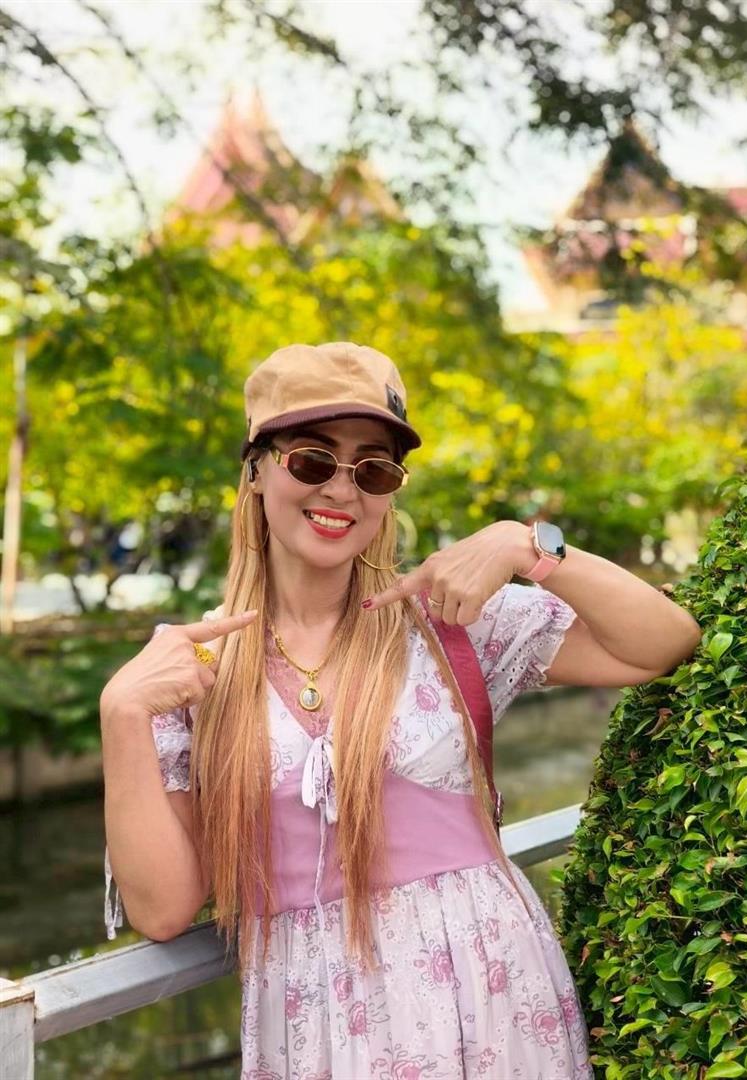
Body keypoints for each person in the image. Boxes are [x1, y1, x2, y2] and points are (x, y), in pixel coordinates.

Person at [101, 341, 702, 1079]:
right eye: (312, 460)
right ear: (256, 470)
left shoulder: (449, 622)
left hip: (493, 1001)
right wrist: (121, 713)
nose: (342, 490)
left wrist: (528, 547)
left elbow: (663, 645)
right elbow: (163, 909)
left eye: (374, 469)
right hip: (317, 1028)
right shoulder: (193, 667)